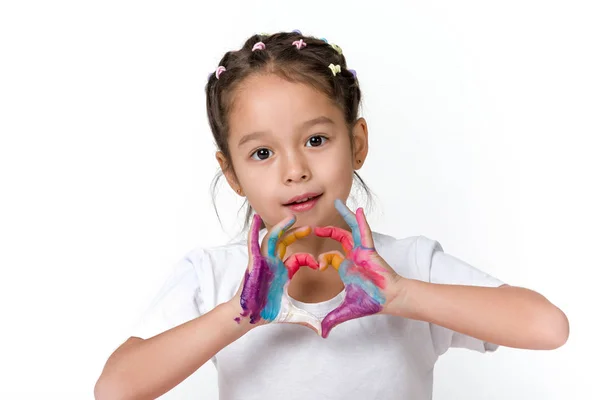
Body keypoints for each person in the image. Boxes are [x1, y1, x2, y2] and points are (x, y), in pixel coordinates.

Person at [94, 30, 569, 400]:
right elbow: (114, 389)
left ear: (357, 143)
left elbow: (548, 327)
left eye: (316, 140)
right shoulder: (216, 278)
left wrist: (402, 295)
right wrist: (237, 316)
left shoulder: (408, 266)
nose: (295, 170)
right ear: (231, 173)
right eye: (262, 153)